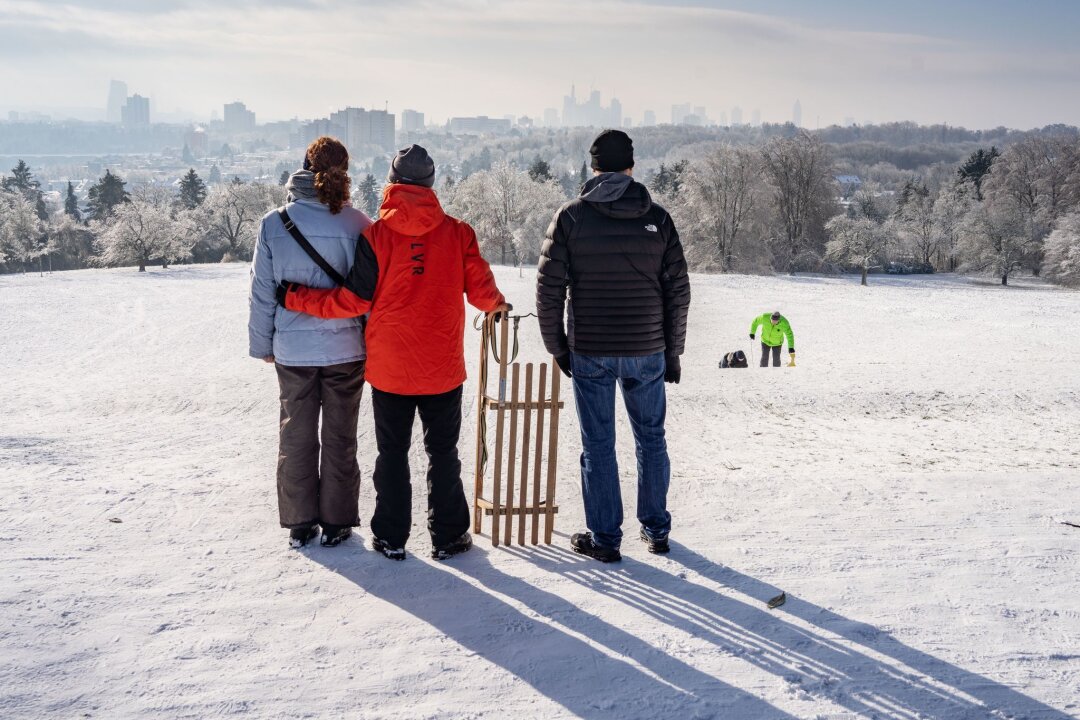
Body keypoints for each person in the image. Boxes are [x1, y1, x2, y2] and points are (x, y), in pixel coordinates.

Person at [278, 144, 509, 561]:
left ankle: (390, 536)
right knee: (443, 453)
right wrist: (500, 305)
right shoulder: (458, 233)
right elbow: (483, 294)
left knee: (392, 453)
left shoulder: (375, 236)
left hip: (389, 369)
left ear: (393, 183)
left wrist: (296, 298)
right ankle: (450, 536)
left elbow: (353, 302)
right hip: (441, 369)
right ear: (431, 184)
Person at [536, 129, 691, 563]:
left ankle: (605, 539)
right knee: (651, 438)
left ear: (593, 168)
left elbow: (549, 289)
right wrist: (671, 352)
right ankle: (656, 529)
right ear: (632, 167)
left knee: (599, 443)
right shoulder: (657, 219)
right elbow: (678, 290)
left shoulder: (570, 217)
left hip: (591, 348)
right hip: (647, 348)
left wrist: (558, 348)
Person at [248, 136, 373, 549]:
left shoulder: (274, 223)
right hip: (347, 350)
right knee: (341, 436)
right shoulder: (360, 225)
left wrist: (262, 343)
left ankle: (301, 521)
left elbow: (262, 291)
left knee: (296, 434)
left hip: (293, 350)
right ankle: (337, 523)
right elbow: (373, 295)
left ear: (302, 168)